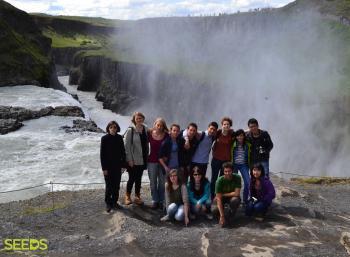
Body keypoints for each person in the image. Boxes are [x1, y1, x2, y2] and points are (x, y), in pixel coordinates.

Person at [123, 112, 149, 205]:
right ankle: (127, 196)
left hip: (142, 159)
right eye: (137, 118)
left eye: (141, 118)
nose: (139, 120)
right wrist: (129, 159)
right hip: (133, 160)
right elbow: (127, 146)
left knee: (139, 178)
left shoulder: (145, 128)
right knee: (132, 178)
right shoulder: (131, 130)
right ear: (134, 119)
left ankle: (137, 196)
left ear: (143, 119)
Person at [100, 121, 126, 213]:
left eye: (115, 127)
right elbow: (102, 155)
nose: (113, 129)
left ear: (117, 128)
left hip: (117, 166)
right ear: (108, 128)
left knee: (116, 185)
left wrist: (123, 166)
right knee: (109, 186)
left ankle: (115, 202)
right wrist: (104, 169)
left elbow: (123, 152)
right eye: (111, 127)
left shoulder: (119, 138)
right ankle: (108, 203)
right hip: (108, 167)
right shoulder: (104, 138)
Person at [210, 117, 234, 199]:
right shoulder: (217, 133)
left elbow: (241, 133)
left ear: (230, 126)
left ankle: (220, 196)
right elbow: (207, 133)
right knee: (214, 179)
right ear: (222, 125)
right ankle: (212, 196)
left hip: (226, 162)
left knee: (222, 179)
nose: (226, 126)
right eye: (224, 124)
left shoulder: (232, 134)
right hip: (216, 160)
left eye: (228, 124)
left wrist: (250, 129)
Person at [147, 118, 169, 209]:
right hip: (151, 161)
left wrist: (167, 157)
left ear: (164, 126)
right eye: (158, 125)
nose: (159, 127)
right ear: (154, 125)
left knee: (162, 182)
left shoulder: (166, 135)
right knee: (152, 182)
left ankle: (161, 200)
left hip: (163, 163)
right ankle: (155, 200)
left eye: (161, 125)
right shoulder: (149, 134)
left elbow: (169, 147)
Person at [212, 162, 241, 227]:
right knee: (214, 211)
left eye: (229, 171)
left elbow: (236, 193)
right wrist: (222, 216)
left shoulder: (237, 177)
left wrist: (222, 194)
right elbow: (218, 198)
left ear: (232, 171)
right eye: (225, 171)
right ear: (223, 171)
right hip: (221, 198)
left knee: (235, 200)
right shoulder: (219, 181)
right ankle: (222, 215)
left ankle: (231, 215)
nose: (227, 173)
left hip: (231, 197)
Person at [231, 129, 251, 204]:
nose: (240, 137)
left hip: (244, 165)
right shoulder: (233, 143)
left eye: (241, 136)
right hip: (234, 165)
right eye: (238, 136)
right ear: (236, 137)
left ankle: (245, 200)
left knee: (248, 182)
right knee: (233, 183)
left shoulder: (247, 144)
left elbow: (250, 131)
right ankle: (234, 199)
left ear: (244, 136)